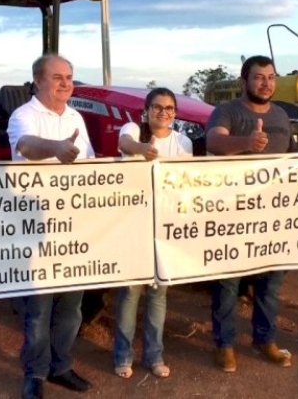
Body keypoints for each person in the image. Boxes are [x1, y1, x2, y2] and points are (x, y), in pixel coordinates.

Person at [7, 54, 94, 399]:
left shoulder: (76, 117)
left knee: (71, 307)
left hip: (73, 224)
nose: (65, 83)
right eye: (57, 77)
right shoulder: (23, 115)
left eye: (69, 77)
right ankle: (35, 373)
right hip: (36, 224)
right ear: (38, 80)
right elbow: (26, 146)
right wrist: (56, 148)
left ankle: (61, 366)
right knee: (39, 308)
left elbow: (89, 163)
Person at [205, 55, 294, 372]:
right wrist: (246, 142)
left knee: (271, 282)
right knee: (229, 282)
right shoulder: (227, 111)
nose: (266, 83)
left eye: (271, 77)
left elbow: (293, 157)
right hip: (234, 213)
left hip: (273, 214)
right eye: (259, 77)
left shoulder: (281, 114)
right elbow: (214, 141)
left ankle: (265, 339)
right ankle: (224, 345)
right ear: (244, 82)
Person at [113, 87, 192, 380]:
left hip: (166, 225)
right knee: (130, 293)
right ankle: (123, 356)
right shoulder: (134, 129)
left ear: (175, 113)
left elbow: (185, 182)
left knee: (159, 294)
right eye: (157, 107)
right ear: (146, 111)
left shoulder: (182, 141)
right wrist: (143, 149)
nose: (163, 113)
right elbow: (124, 143)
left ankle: (154, 356)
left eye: (169, 108)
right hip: (134, 223)